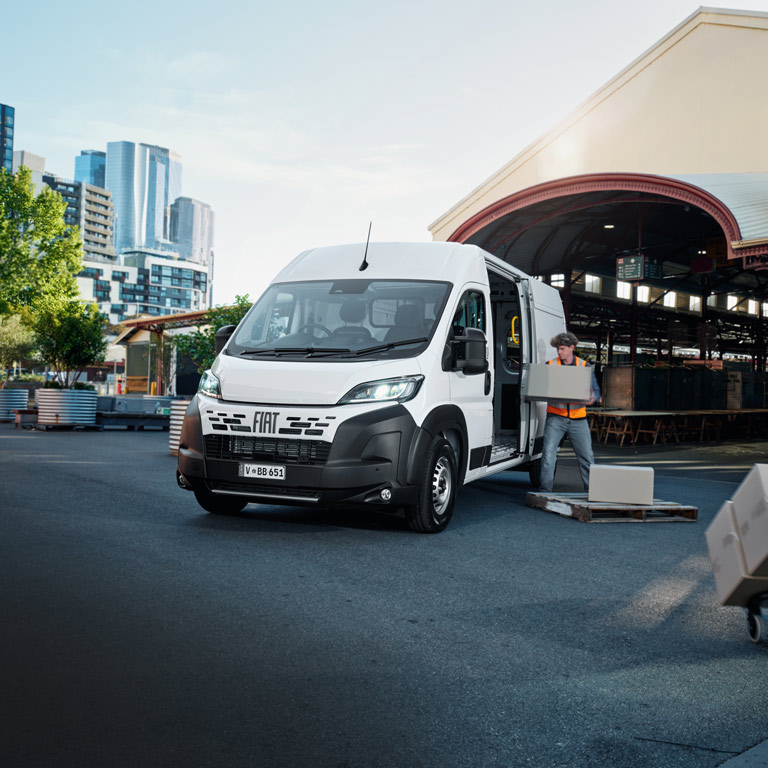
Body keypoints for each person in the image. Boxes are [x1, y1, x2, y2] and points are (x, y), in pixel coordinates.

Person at [538, 331, 600, 492]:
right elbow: (541, 388)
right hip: (555, 419)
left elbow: (596, 391)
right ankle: (545, 492)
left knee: (587, 458)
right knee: (548, 456)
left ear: (572, 347)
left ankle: (592, 492)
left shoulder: (584, 366)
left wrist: (593, 398)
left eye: (563, 349)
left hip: (578, 420)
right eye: (558, 349)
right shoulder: (550, 366)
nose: (559, 352)